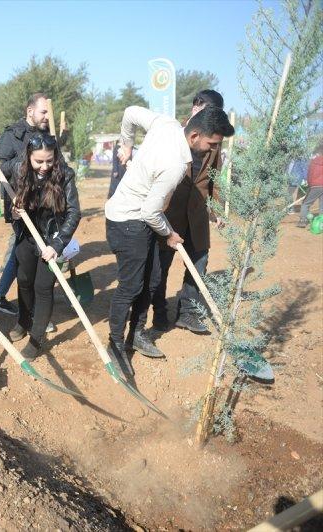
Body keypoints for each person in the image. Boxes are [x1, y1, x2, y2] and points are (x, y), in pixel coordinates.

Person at [104, 105, 234, 375]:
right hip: (128, 220)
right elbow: (151, 212)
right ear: (195, 135)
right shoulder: (176, 164)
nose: (212, 150)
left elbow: (129, 112)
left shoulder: (166, 123)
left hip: (143, 219)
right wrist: (170, 233)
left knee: (151, 280)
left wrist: (126, 144)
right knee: (131, 286)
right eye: (211, 143)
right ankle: (115, 344)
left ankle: (136, 334)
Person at [150, 89, 226, 335]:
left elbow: (214, 177)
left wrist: (216, 209)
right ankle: (159, 312)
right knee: (160, 266)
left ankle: (188, 313)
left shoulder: (215, 140)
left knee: (199, 261)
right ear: (195, 109)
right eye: (202, 109)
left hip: (198, 212)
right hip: (169, 212)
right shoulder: (174, 135)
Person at [8, 134, 81, 359]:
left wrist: (57, 244)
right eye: (39, 161)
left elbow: (74, 213)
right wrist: (14, 212)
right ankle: (23, 319)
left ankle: (37, 338)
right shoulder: (20, 174)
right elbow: (10, 210)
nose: (44, 166)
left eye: (49, 161)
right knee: (24, 281)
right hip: (27, 238)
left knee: (42, 287)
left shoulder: (65, 175)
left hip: (51, 241)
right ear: (29, 157)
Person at [0, 94, 56, 335]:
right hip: (22, 209)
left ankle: (35, 312)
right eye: (43, 112)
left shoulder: (49, 132)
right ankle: (30, 314)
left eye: (49, 112)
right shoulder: (13, 134)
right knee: (25, 260)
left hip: (48, 208)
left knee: (38, 260)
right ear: (30, 111)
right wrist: (25, 160)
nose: (47, 117)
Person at [298, 142, 323, 227]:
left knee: (305, 203)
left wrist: (309, 184)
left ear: (318, 153)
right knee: (322, 205)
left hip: (315, 185)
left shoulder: (313, 162)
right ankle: (321, 223)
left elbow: (310, 174)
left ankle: (302, 221)